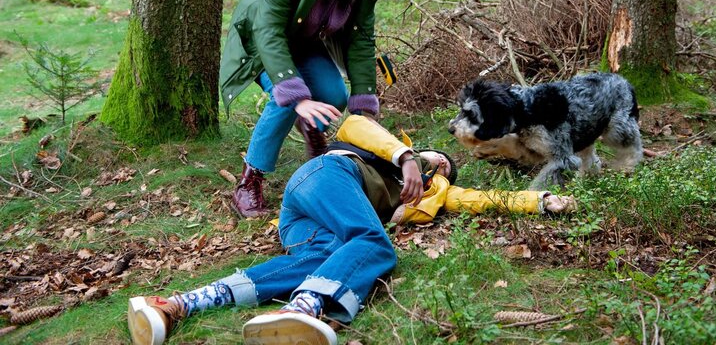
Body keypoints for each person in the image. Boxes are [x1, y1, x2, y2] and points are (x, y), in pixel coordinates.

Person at [127, 116, 575, 345]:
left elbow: (481, 199)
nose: (439, 164)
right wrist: (405, 156)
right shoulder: (393, 151)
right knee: (374, 245)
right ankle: (305, 310)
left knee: (313, 261)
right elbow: (355, 124)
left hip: (305, 219)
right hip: (326, 176)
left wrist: (541, 201)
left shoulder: (435, 191)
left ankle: (177, 305)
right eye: (436, 156)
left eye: (445, 168)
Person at [219, 0, 407, 218]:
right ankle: (249, 180)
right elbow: (267, 27)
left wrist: (363, 110)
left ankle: (310, 125)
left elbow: (361, 42)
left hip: (304, 42)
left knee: (334, 95)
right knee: (287, 101)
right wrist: (297, 97)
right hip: (261, 44)